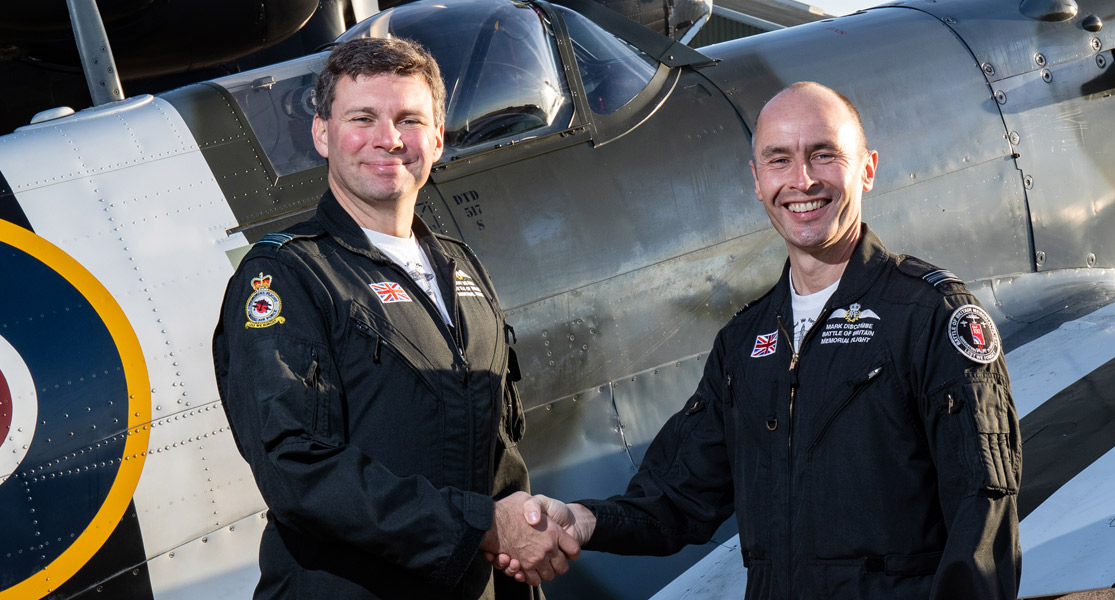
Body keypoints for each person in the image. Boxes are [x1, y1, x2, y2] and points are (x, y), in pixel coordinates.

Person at [497, 82, 1022, 599]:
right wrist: (584, 520)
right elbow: (678, 496)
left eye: (824, 155)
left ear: (867, 168)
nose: (802, 180)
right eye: (779, 160)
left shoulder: (930, 315)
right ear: (756, 180)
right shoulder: (744, 344)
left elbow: (983, 509)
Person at [212, 37, 578, 600]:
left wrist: (520, 544)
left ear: (435, 139)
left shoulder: (463, 268)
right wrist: (476, 525)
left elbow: (498, 456)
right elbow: (297, 469)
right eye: (363, 118)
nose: (388, 139)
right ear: (322, 134)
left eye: (409, 119)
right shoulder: (286, 276)